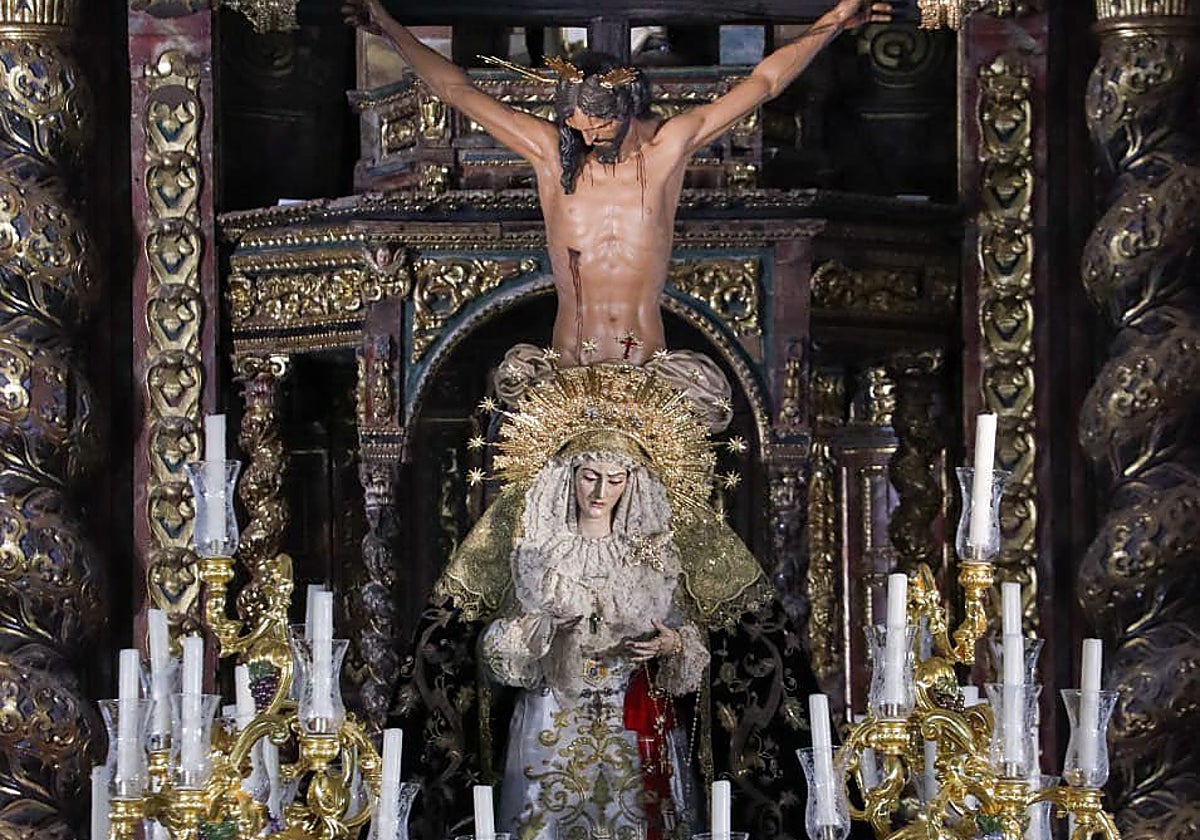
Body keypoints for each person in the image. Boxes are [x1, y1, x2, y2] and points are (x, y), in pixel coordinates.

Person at [341, 0, 893, 367]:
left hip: (644, 367)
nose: (588, 136)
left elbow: (764, 82)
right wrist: (388, 27)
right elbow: (456, 90)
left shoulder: (667, 150)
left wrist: (835, 19)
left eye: (600, 125)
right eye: (579, 126)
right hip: (569, 367)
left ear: (627, 109)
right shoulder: (552, 154)